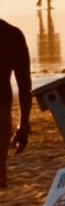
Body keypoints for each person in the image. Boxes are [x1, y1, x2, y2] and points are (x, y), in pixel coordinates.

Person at [1, 17, 29, 190]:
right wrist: (23, 125)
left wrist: (23, 125)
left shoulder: (12, 35)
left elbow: (25, 86)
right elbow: (25, 87)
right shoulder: (12, 34)